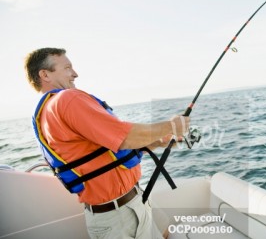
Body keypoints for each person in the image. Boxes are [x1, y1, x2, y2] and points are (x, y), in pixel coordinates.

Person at [24, 47, 190, 239]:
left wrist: (158, 142)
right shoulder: (67, 99)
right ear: (45, 74)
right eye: (67, 68)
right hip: (120, 217)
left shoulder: (47, 112)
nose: (75, 74)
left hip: (129, 203)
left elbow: (102, 153)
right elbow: (124, 137)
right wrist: (171, 126)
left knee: (165, 232)